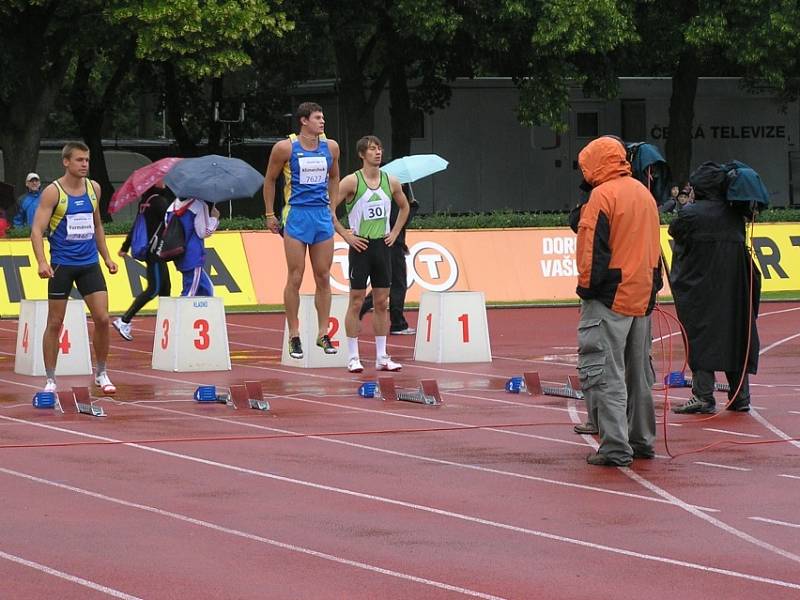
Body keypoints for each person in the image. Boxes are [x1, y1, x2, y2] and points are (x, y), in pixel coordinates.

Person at [574, 136, 662, 466]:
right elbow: (655, 248)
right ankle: (641, 440)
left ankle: (614, 446)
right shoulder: (644, 193)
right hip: (641, 296)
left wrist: (587, 290)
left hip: (609, 298)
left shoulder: (601, 196)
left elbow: (590, 252)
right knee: (639, 375)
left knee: (605, 372)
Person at [670, 163, 760, 414]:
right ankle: (740, 395)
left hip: (700, 287)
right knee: (736, 334)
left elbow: (675, 232)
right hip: (734, 288)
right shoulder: (734, 215)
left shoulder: (691, 214)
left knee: (699, 337)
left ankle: (703, 394)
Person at [30, 141, 119, 394]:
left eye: (87, 160)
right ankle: (50, 379)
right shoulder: (53, 192)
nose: (85, 165)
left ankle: (101, 372)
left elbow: (98, 225)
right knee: (55, 323)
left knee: (102, 318)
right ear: (66, 162)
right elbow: (37, 230)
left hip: (89, 264)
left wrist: (107, 258)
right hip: (61, 266)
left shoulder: (94, 188)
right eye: (79, 160)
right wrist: (42, 262)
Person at [263, 101, 340, 359]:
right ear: (304, 121)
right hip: (296, 214)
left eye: (323, 117)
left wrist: (333, 207)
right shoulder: (285, 148)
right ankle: (294, 334)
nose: (323, 122)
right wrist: (270, 214)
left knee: (324, 275)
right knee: (295, 275)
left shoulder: (331, 147)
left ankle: (322, 333)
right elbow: (270, 180)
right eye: (318, 117)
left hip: (321, 216)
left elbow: (334, 177)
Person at [332, 135, 410, 373]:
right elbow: (329, 209)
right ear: (361, 154)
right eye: (372, 149)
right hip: (360, 248)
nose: (378, 153)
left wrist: (395, 233)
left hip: (382, 247)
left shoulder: (391, 181)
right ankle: (353, 357)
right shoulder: (351, 182)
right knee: (356, 302)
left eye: (379, 148)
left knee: (381, 303)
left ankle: (382, 356)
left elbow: (405, 206)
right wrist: (346, 235)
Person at [112, 184, 173, 340]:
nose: (163, 181)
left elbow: (136, 226)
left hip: (151, 249)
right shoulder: (160, 202)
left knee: (165, 288)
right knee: (154, 289)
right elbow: (170, 222)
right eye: (160, 179)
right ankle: (124, 320)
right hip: (156, 251)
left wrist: (126, 246)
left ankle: (166, 327)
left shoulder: (145, 201)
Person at [358, 181, 419, 334]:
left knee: (384, 286)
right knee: (398, 284)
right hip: (392, 246)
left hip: (388, 245)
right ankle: (398, 323)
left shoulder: (383, 197)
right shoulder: (393, 200)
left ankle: (359, 310)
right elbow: (396, 223)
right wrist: (412, 209)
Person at [167, 197, 220, 297]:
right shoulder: (199, 205)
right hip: (193, 255)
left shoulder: (171, 207)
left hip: (178, 253)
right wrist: (214, 218)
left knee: (207, 288)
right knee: (190, 293)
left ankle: (206, 312)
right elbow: (203, 232)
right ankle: (179, 312)